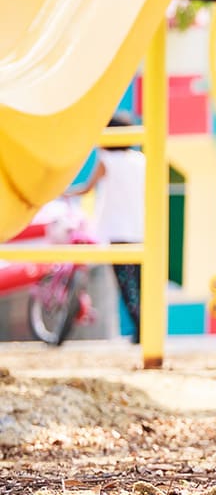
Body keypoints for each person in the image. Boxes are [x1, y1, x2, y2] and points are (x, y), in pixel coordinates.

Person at [69, 109, 146, 341]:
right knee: (140, 283)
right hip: (140, 228)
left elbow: (87, 188)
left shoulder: (107, 161)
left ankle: (139, 327)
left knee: (125, 284)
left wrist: (64, 193)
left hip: (117, 228)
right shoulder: (140, 160)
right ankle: (146, 326)